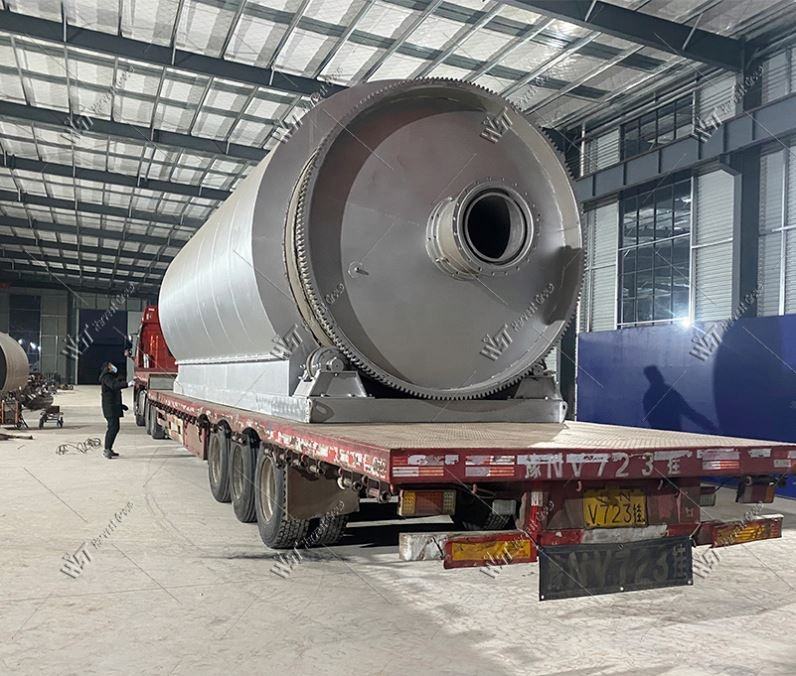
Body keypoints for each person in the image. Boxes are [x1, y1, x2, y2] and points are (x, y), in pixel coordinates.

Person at [99, 362, 134, 459]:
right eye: (110, 365)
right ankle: (107, 449)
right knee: (112, 427)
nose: (113, 367)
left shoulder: (111, 377)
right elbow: (114, 386)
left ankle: (109, 448)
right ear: (107, 368)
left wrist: (121, 406)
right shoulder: (106, 377)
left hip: (113, 407)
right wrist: (127, 384)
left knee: (115, 427)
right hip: (109, 408)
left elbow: (114, 394)